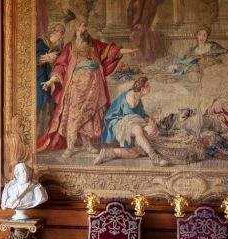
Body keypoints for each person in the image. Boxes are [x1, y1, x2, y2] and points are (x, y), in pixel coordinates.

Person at [38, 19, 137, 156]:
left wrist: (128, 51)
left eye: (85, 26)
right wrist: (51, 80)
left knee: (89, 115)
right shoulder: (70, 47)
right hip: (75, 87)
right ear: (76, 28)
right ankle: (70, 147)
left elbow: (111, 50)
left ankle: (87, 144)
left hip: (93, 85)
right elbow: (61, 66)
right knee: (74, 115)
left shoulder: (94, 44)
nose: (85, 28)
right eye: (82, 26)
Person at [94, 77, 169, 165]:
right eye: (147, 85)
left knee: (134, 153)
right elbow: (130, 118)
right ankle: (155, 158)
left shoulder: (138, 99)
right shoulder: (131, 98)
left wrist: (151, 119)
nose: (150, 87)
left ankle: (107, 152)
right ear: (142, 89)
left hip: (128, 123)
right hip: (115, 123)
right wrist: (145, 127)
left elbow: (140, 115)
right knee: (138, 129)